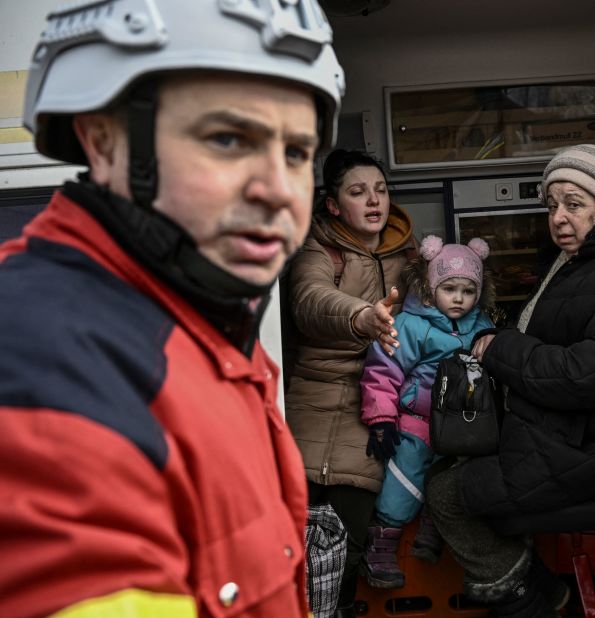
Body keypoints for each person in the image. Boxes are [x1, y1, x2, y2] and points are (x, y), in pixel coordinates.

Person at [0, 0, 343, 616]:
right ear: (103, 143)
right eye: (229, 138)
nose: (276, 190)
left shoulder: (204, 327)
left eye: (297, 152)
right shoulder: (42, 359)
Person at [426, 144, 595, 616]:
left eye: (574, 205)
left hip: (592, 453)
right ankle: (549, 590)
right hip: (556, 436)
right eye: (552, 205)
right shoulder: (574, 260)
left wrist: (502, 349)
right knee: (441, 468)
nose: (559, 217)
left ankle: (530, 601)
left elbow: (590, 374)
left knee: (446, 495)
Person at [285, 149, 417, 617]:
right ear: (334, 205)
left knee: (347, 553)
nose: (374, 200)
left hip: (373, 412)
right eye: (358, 192)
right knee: (288, 553)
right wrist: (362, 316)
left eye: (380, 190)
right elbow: (309, 299)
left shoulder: (410, 255)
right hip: (308, 407)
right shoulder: (318, 250)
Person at [359, 235, 496, 589]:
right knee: (405, 479)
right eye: (449, 288)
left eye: (468, 291)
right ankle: (382, 545)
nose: (459, 298)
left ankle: (431, 537)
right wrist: (382, 420)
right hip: (416, 422)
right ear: (431, 286)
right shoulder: (410, 325)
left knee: (451, 483)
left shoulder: (481, 327)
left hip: (461, 428)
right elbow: (382, 371)